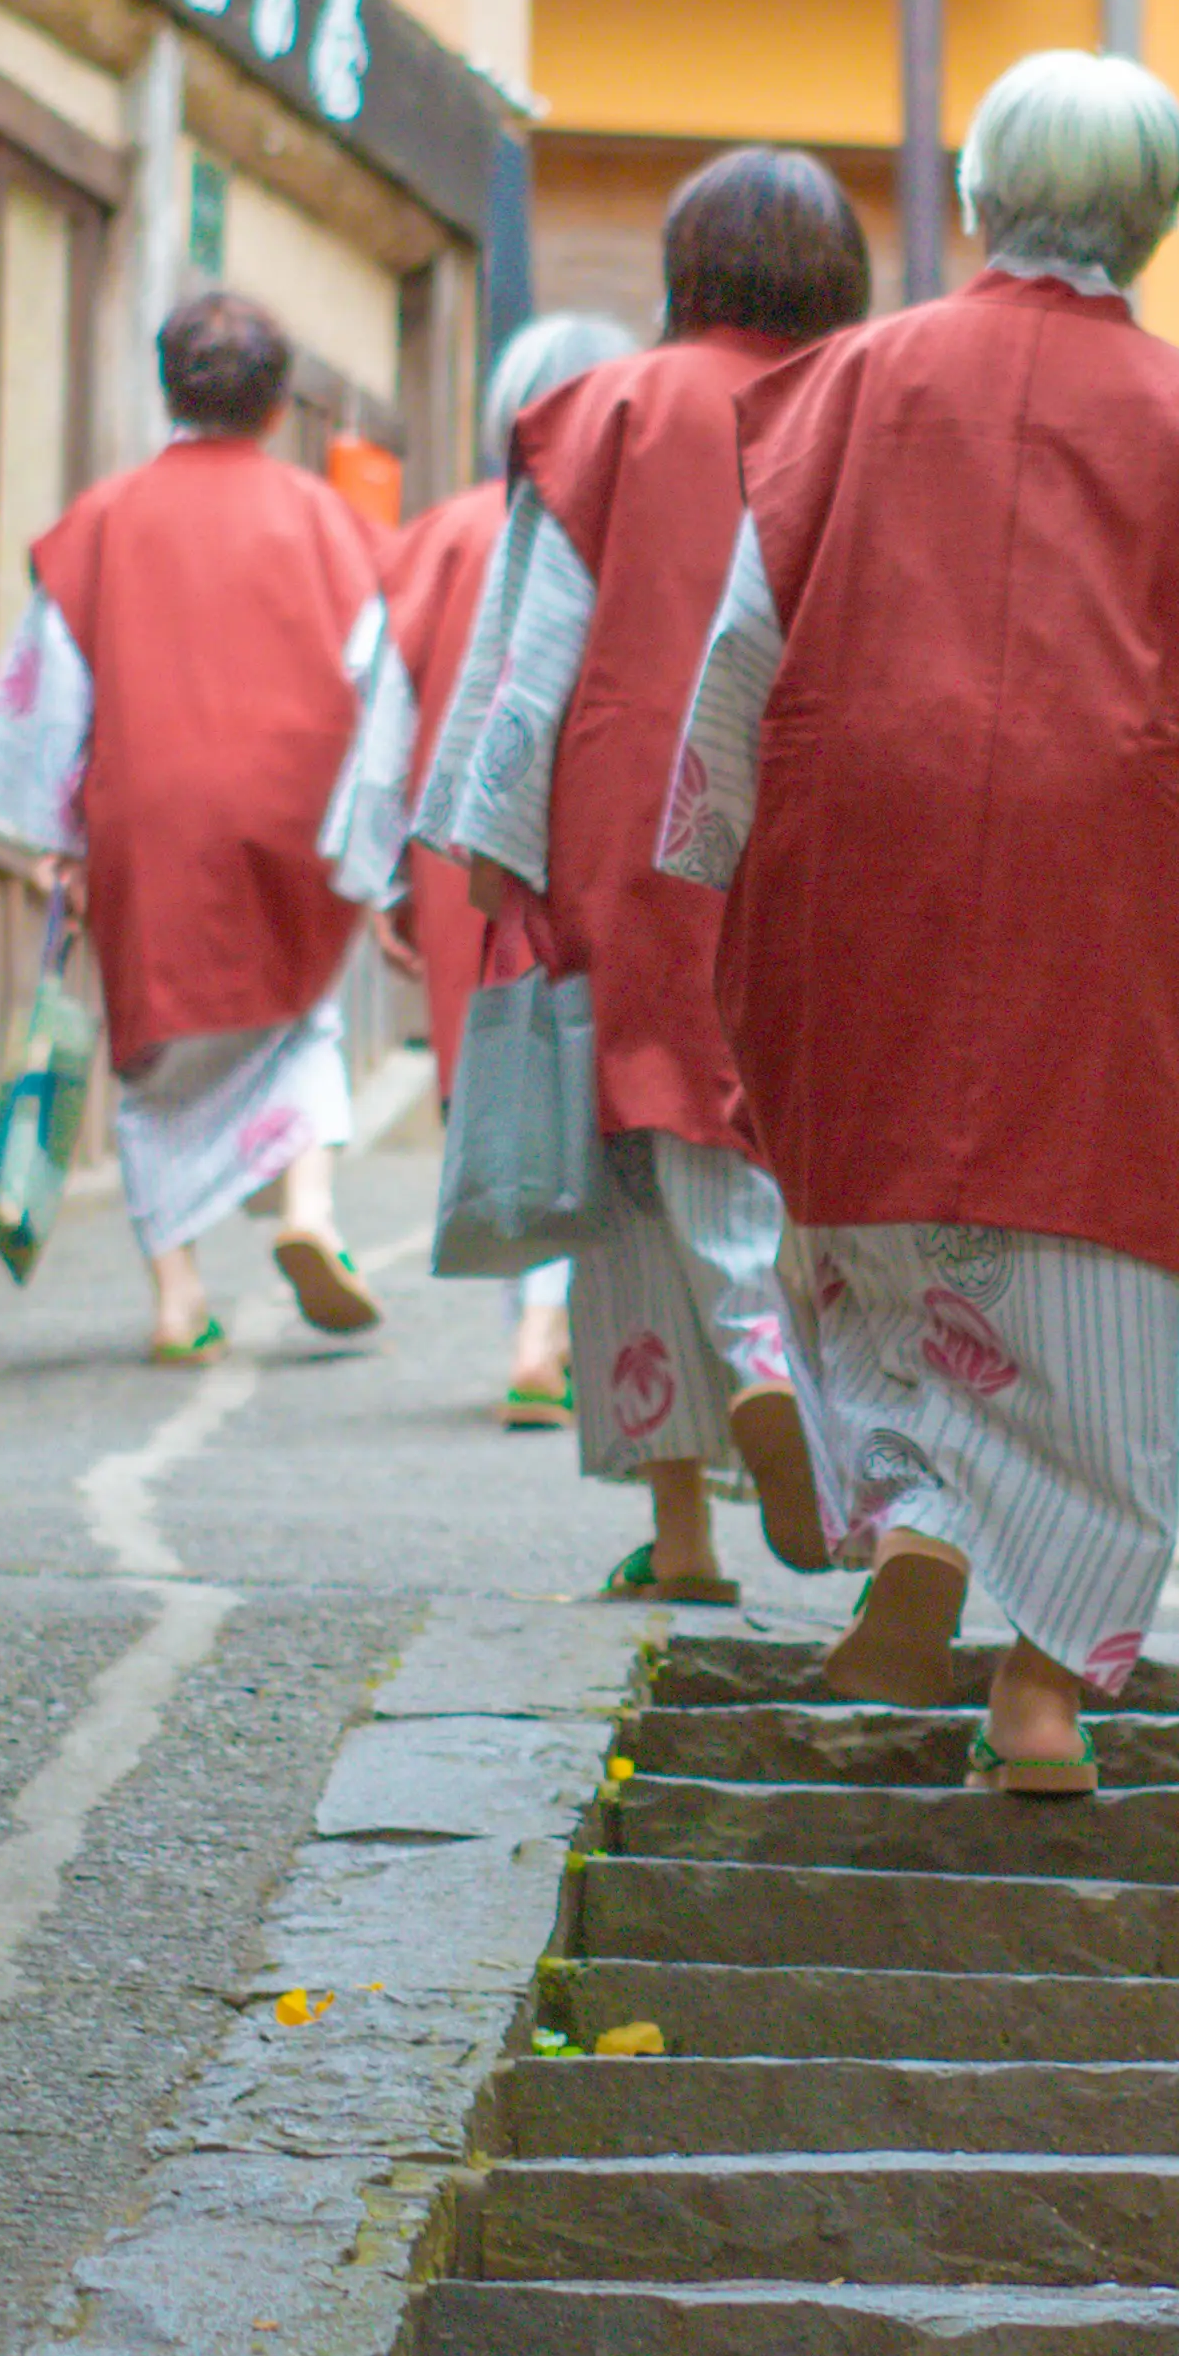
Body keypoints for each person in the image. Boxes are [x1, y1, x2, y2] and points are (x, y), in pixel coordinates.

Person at [658, 53, 1179, 1788]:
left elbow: (739, 649)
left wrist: (709, 860)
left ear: (977, 196)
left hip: (865, 847)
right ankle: (1044, 1691)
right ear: (1155, 216)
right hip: (1105, 873)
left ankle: (920, 1526)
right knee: (1087, 1269)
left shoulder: (846, 386)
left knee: (878, 1213)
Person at [422, 152, 872, 1596]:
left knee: (636, 1168)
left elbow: (530, 651)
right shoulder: (863, 404)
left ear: (687, 263)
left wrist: (487, 849)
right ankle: (797, 1405)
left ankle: (694, 1509)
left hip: (625, 833)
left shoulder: (603, 410)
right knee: (781, 1149)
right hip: (818, 831)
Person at [0, 287, 416, 1362]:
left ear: (171, 388)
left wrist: (60, 836)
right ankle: (307, 1208)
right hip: (293, 809)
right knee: (302, 1018)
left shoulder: (102, 524)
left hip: (150, 813)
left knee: (153, 1064)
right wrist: (391, 838)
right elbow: (381, 676)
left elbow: (54, 696)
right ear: (276, 408)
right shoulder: (335, 526)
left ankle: (177, 1299)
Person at [387, 309, 635, 1422]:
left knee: (523, 1081)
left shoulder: (446, 533)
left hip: (470, 856)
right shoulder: (645, 519)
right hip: (617, 845)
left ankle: (539, 1327)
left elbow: (380, 709)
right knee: (604, 1090)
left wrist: (389, 868)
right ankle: (559, 1330)